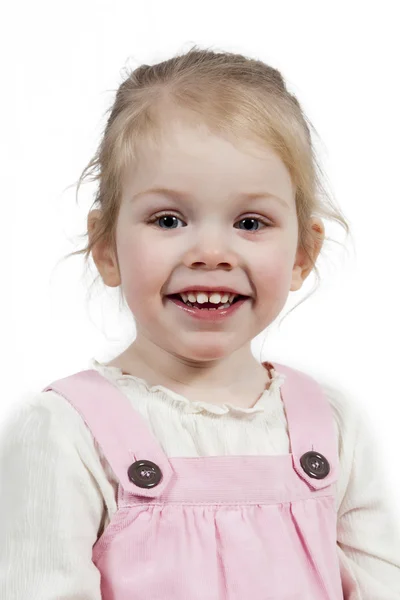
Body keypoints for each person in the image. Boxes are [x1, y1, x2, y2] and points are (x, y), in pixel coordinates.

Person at [1, 45, 399, 599]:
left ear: (302, 256)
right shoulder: (65, 432)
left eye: (250, 221)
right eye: (169, 219)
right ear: (106, 247)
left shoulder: (332, 425)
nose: (211, 251)